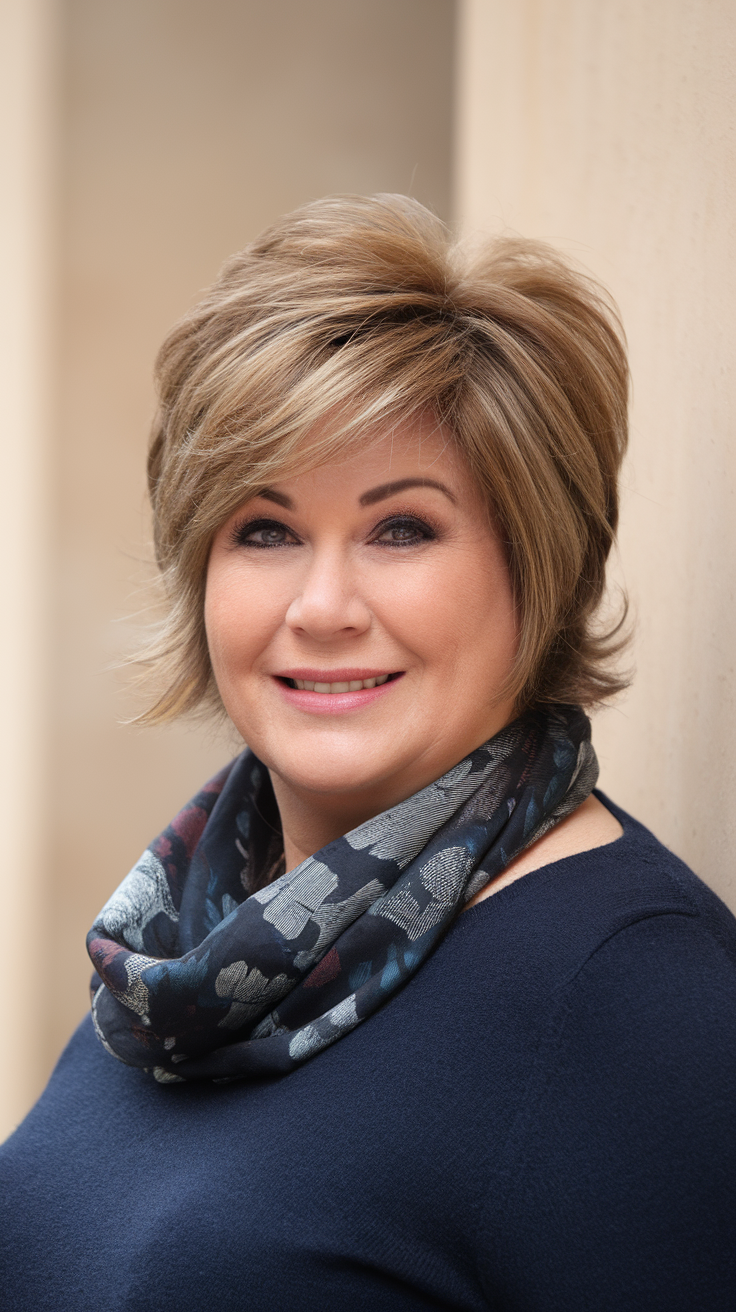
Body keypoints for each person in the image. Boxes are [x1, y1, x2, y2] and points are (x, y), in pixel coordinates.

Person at [1, 195, 734, 1310]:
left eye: (402, 528)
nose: (323, 603)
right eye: (265, 528)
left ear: (537, 569)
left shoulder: (631, 995)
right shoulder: (182, 949)